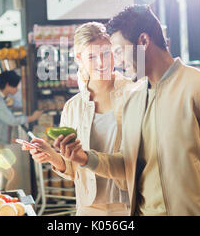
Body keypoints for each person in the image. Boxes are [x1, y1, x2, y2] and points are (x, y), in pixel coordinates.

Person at [54, 5, 200, 216]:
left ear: (143, 42)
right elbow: (127, 162)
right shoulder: (134, 100)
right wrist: (85, 158)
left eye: (118, 51)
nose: (116, 61)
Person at [24, 22, 138, 216]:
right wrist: (51, 154)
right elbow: (71, 170)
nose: (101, 63)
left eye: (105, 54)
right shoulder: (73, 107)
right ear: (79, 58)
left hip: (130, 205)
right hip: (89, 208)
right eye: (92, 57)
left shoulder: (135, 94)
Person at [0, 70, 43, 191]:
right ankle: (6, 205)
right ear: (8, 85)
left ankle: (7, 205)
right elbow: (11, 120)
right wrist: (32, 117)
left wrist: (10, 138)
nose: (17, 89)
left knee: (6, 180)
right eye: (16, 86)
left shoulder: (0, 99)